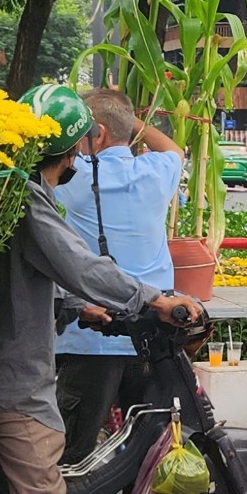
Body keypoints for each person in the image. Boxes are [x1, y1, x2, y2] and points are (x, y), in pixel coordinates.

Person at [0, 85, 205, 494]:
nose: (78, 165)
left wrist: (75, 309)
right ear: (60, 148)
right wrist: (151, 297)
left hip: (66, 345)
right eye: (73, 154)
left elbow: (30, 281)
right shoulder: (29, 199)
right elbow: (80, 264)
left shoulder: (13, 193)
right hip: (12, 377)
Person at [50, 90, 183, 464]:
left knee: (72, 453)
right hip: (153, 336)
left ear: (98, 133)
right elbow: (175, 150)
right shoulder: (157, 173)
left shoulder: (73, 178)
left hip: (92, 339)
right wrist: (133, 120)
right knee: (147, 454)